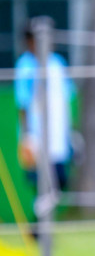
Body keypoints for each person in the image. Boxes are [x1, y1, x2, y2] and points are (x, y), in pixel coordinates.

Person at [14, 25, 73, 196]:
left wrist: (71, 132)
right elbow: (23, 103)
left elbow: (66, 100)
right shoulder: (25, 65)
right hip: (36, 135)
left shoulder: (57, 63)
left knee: (59, 182)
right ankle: (40, 220)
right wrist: (27, 136)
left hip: (58, 136)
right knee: (39, 184)